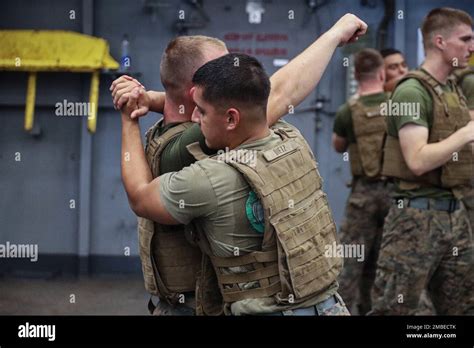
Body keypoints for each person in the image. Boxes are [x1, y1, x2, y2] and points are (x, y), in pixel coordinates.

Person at [111, 14, 368, 315]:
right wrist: (335, 34)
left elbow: (264, 97)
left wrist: (148, 101)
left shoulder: (209, 130)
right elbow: (283, 91)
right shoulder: (190, 147)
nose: (229, 72)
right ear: (195, 91)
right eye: (218, 69)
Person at [370, 7, 474, 315]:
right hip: (415, 219)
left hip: (456, 215)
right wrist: (467, 132)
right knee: (395, 308)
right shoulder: (412, 91)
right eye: (465, 39)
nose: (472, 47)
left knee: (463, 308)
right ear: (440, 42)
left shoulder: (452, 88)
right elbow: (416, 160)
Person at [332, 48, 391, 315]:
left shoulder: (348, 110)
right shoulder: (397, 104)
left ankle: (339, 310)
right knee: (385, 259)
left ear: (355, 74)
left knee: (352, 259)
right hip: (396, 194)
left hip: (362, 194)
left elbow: (337, 146)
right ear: (382, 73)